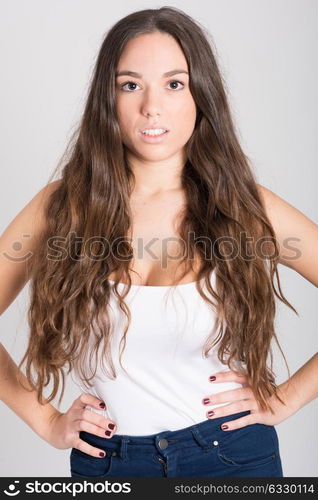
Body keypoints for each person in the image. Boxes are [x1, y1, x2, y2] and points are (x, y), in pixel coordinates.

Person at [0, 6, 317, 478]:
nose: (152, 106)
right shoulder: (61, 207)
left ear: (200, 95)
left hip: (231, 459)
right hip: (107, 465)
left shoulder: (246, 206)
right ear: (108, 98)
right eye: (130, 84)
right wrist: (46, 421)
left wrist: (287, 398)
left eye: (174, 84)